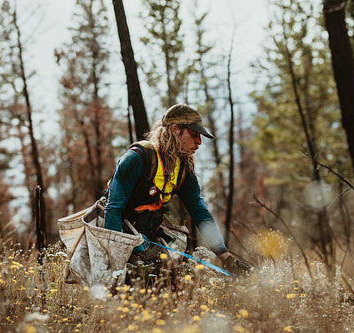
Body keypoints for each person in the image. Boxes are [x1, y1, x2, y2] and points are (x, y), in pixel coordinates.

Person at [104, 104, 251, 277]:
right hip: (115, 234)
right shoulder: (136, 158)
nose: (199, 142)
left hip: (148, 236)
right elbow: (113, 210)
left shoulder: (183, 170)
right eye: (194, 134)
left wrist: (225, 257)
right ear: (175, 129)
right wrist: (117, 261)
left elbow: (201, 214)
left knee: (173, 277)